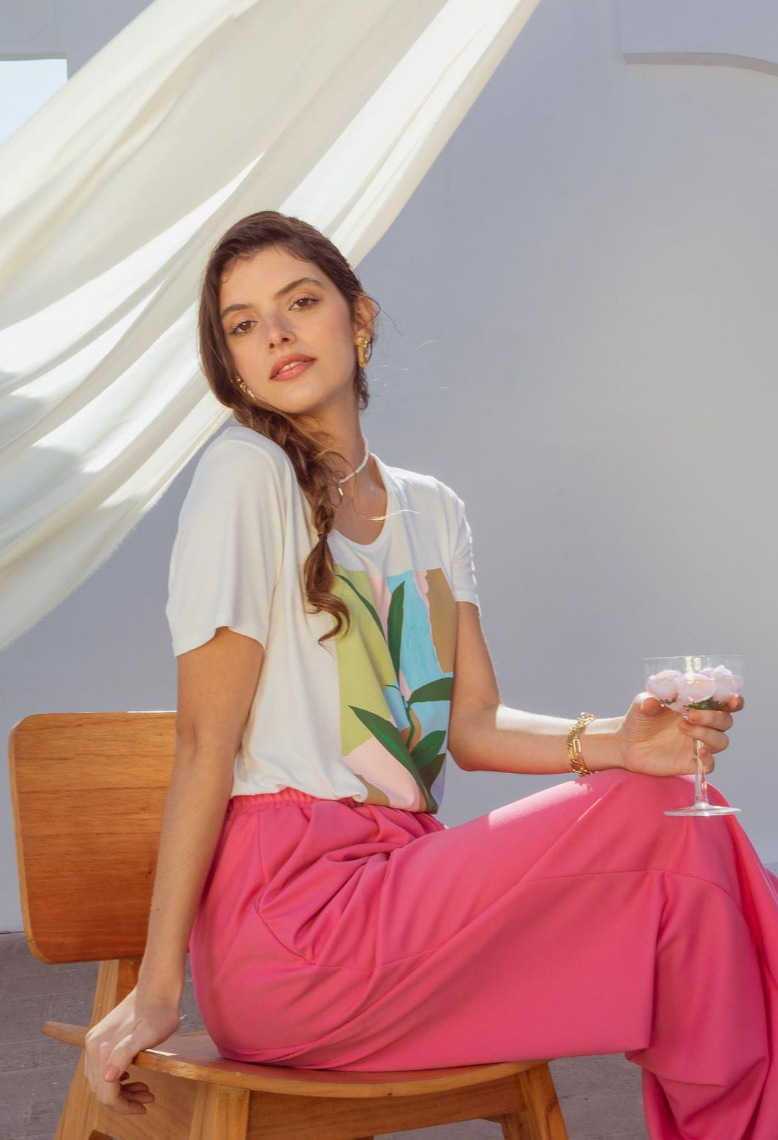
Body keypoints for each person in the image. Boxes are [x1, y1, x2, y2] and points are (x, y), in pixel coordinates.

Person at [83, 211, 777, 1139]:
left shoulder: (432, 509)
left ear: (359, 318)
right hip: (293, 925)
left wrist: (621, 742)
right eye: (243, 325)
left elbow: (474, 726)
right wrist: (160, 986)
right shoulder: (246, 476)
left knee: (685, 813)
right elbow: (204, 742)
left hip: (403, 890)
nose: (277, 334)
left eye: (300, 303)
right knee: (668, 829)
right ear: (232, 363)